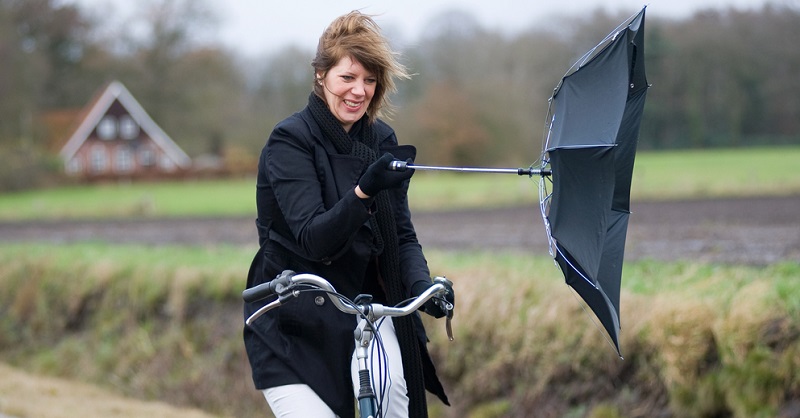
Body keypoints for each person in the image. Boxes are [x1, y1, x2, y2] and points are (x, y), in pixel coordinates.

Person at [243, 11, 454, 418]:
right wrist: (364, 190)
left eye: (370, 81)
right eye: (348, 78)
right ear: (321, 75)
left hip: (363, 310)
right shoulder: (289, 140)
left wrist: (423, 288)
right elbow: (314, 239)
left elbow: (401, 236)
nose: (360, 91)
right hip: (293, 315)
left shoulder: (381, 140)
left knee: (395, 397)